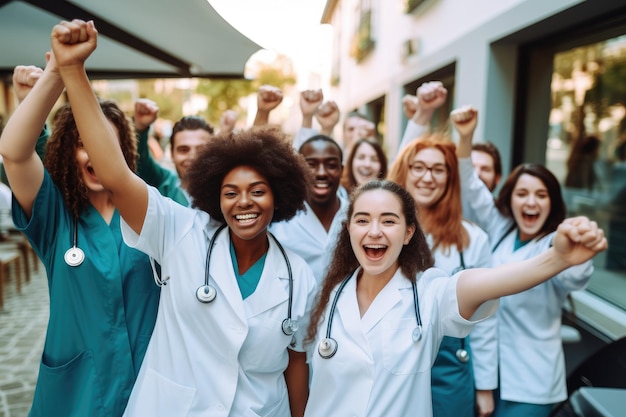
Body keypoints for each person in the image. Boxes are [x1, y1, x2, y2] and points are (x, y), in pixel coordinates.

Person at [51, 19, 317, 417]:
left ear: (279, 196)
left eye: (258, 191)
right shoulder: (180, 230)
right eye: (231, 193)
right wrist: (73, 71)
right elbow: (114, 173)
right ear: (214, 197)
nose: (244, 203)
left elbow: (296, 364)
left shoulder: (299, 276)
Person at [303, 179, 606, 417]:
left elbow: (488, 282)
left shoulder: (430, 293)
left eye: (389, 221)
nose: (375, 231)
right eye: (363, 220)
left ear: (409, 233)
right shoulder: (328, 296)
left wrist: (557, 259)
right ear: (349, 229)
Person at [0, 53, 160, 415]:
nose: (96, 154)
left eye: (107, 144)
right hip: (77, 392)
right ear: (68, 152)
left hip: (149, 385)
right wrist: (56, 73)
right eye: (83, 142)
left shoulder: (150, 212)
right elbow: (13, 153)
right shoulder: (54, 213)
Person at [454, 106, 599, 417]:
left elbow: (574, 276)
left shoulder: (552, 244)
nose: (531, 202)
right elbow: (468, 181)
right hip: (489, 374)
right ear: (509, 199)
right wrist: (465, 137)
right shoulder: (501, 227)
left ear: (552, 203)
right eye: (522, 193)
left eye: (541, 195)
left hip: (533, 383)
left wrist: (578, 249)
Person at [388, 135, 497, 417]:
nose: (428, 177)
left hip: (450, 371)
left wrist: (484, 387)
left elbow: (485, 319)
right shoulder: (382, 232)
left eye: (438, 169)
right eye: (418, 167)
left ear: (450, 177)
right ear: (405, 171)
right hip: (390, 362)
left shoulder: (473, 239)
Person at [270, 134, 348, 283]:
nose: (321, 173)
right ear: (298, 168)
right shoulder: (279, 221)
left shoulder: (356, 215)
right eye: (311, 165)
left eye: (331, 165)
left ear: (341, 170)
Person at [134, 99, 214, 206]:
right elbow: (141, 160)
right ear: (171, 154)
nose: (193, 157)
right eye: (183, 150)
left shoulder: (227, 188)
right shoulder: (163, 182)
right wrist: (140, 128)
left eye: (202, 150)